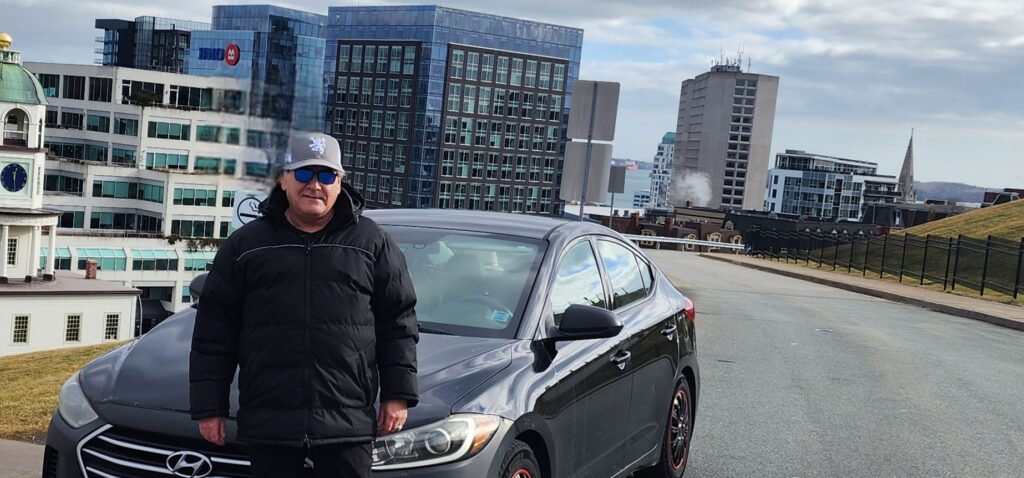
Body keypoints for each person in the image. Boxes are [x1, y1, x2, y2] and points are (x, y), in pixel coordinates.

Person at [190, 131, 419, 478]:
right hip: (270, 421)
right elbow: (214, 332)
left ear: (340, 184)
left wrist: (398, 394)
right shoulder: (247, 246)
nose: (315, 185)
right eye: (304, 174)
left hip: (347, 422)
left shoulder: (371, 243)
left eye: (327, 176)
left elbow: (398, 322)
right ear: (283, 180)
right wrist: (209, 407)